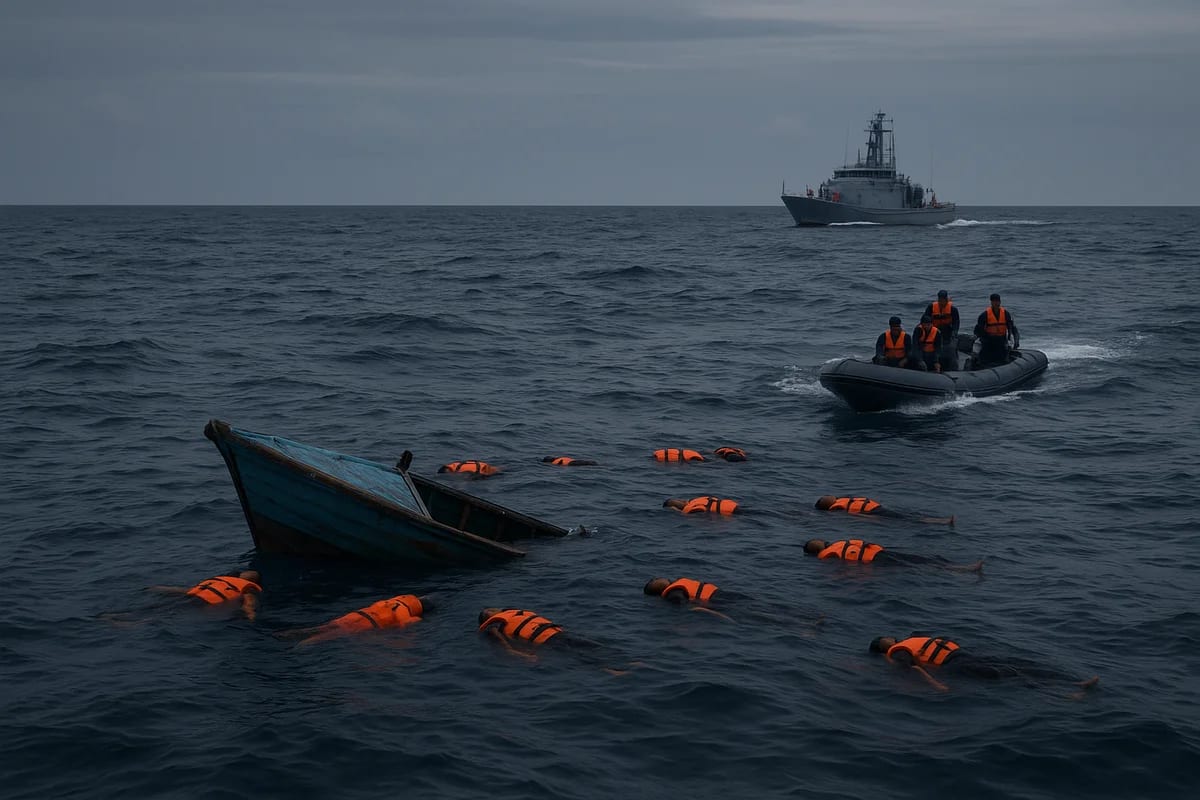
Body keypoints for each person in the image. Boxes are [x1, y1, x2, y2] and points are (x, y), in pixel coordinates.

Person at [868, 634, 1100, 694]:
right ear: (882, 647)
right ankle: (1062, 694)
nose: (888, 638)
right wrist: (936, 685)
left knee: (1019, 664)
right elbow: (914, 669)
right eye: (882, 640)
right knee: (1004, 675)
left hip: (963, 657)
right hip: (954, 666)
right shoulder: (898, 653)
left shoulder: (909, 639)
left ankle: (1073, 682)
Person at [477, 608, 638, 674]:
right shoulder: (494, 625)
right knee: (578, 655)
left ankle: (629, 661)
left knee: (593, 646)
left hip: (557, 634)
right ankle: (609, 670)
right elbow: (503, 644)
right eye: (489, 610)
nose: (494, 609)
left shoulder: (514, 613)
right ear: (488, 617)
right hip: (547, 641)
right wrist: (520, 654)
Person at [643, 577, 824, 628]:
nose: (658, 578)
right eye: (655, 581)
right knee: (759, 613)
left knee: (764, 606)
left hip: (723, 595)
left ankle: (806, 616)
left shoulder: (676, 585)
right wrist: (718, 615)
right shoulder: (672, 593)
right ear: (657, 588)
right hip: (718, 601)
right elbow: (689, 606)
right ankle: (801, 625)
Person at [278, 594, 429, 647]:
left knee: (323, 627)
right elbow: (405, 628)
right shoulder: (410, 616)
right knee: (326, 636)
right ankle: (300, 647)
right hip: (367, 624)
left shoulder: (396, 600)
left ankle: (287, 634)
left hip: (356, 615)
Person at [803, 539, 982, 572]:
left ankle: (956, 566)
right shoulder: (827, 556)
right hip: (875, 560)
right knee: (917, 564)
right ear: (815, 548)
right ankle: (960, 570)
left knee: (920, 559)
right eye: (816, 542)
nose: (820, 540)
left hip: (879, 553)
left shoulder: (834, 546)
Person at [145, 570, 262, 621]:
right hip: (203, 603)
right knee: (168, 613)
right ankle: (141, 622)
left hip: (193, 598)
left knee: (163, 609)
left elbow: (183, 590)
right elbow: (249, 603)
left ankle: (138, 621)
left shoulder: (220, 580)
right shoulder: (246, 589)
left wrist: (160, 588)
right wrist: (250, 615)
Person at [814, 495, 955, 526]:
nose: (829, 496)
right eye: (827, 497)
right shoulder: (839, 507)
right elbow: (857, 515)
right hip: (876, 513)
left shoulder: (841, 501)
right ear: (827, 503)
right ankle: (942, 522)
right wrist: (873, 519)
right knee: (907, 518)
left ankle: (940, 521)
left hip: (878, 509)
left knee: (907, 515)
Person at [973, 293, 1020, 368]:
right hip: (989, 341)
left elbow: (1012, 328)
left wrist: (1014, 341)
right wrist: (984, 339)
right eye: (994, 301)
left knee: (1003, 358)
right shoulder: (984, 315)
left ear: (1000, 302)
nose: (996, 303)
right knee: (983, 359)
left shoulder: (1006, 314)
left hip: (1001, 340)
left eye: (998, 301)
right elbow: (978, 330)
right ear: (991, 302)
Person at [924, 289, 960, 369]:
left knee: (951, 348)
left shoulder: (953, 309)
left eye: (943, 300)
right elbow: (925, 319)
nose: (941, 302)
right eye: (940, 300)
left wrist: (954, 332)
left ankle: (953, 366)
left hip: (947, 331)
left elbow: (956, 322)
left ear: (946, 299)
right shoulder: (931, 307)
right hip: (934, 331)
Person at [663, 496, 739, 515]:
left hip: (731, 507)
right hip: (730, 509)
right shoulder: (689, 509)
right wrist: (681, 512)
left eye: (676, 500)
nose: (678, 501)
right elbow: (701, 510)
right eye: (675, 502)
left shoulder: (692, 501)